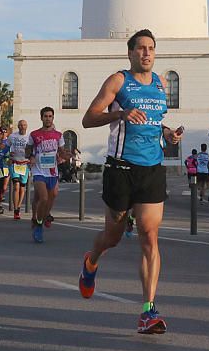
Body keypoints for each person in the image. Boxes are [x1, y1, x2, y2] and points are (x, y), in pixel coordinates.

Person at [78, 29, 184, 334]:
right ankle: (91, 261)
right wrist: (121, 113)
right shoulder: (118, 81)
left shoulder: (160, 84)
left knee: (149, 237)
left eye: (151, 48)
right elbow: (89, 118)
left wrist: (167, 133)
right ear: (130, 53)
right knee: (111, 236)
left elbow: (152, 120)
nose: (147, 53)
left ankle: (148, 311)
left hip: (152, 169)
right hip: (121, 169)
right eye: (141, 48)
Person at [27, 107, 71, 243]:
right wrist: (31, 156)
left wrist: (66, 156)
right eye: (45, 116)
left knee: (52, 197)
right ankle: (39, 225)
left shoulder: (58, 135)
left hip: (52, 171)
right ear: (41, 118)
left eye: (50, 116)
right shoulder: (34, 134)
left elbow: (61, 151)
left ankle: (43, 216)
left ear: (53, 118)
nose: (48, 118)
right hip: (39, 170)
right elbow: (28, 149)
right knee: (43, 198)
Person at [7, 120, 31, 220]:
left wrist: (31, 158)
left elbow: (34, 150)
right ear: (18, 126)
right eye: (20, 125)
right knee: (16, 186)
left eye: (24, 125)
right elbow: (6, 147)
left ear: (26, 126)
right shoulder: (12, 136)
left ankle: (18, 206)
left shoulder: (30, 138)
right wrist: (8, 154)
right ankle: (16, 209)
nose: (22, 127)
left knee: (22, 188)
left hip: (25, 165)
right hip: (15, 163)